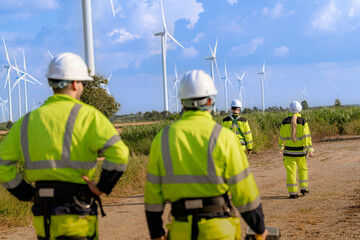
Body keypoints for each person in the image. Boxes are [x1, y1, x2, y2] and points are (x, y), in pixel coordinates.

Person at [0, 52, 129, 239]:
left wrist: (26, 193)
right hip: (78, 218)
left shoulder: (27, 122)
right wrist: (102, 186)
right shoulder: (89, 116)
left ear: (52, 83)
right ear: (76, 83)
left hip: (44, 218)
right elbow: (120, 154)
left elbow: (2, 164)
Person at [144, 70, 268, 240]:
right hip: (219, 231)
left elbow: (152, 195)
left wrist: (157, 233)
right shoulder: (225, 138)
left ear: (182, 101)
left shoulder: (162, 138)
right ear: (210, 101)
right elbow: (244, 191)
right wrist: (259, 227)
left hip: (181, 231)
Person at [278, 101, 314, 199]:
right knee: (303, 170)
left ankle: (293, 193)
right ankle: (304, 189)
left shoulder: (285, 122)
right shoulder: (303, 122)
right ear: (300, 110)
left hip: (289, 153)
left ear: (289, 110)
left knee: (291, 173)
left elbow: (281, 136)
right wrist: (310, 150)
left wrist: (280, 147)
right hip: (301, 152)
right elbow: (307, 137)